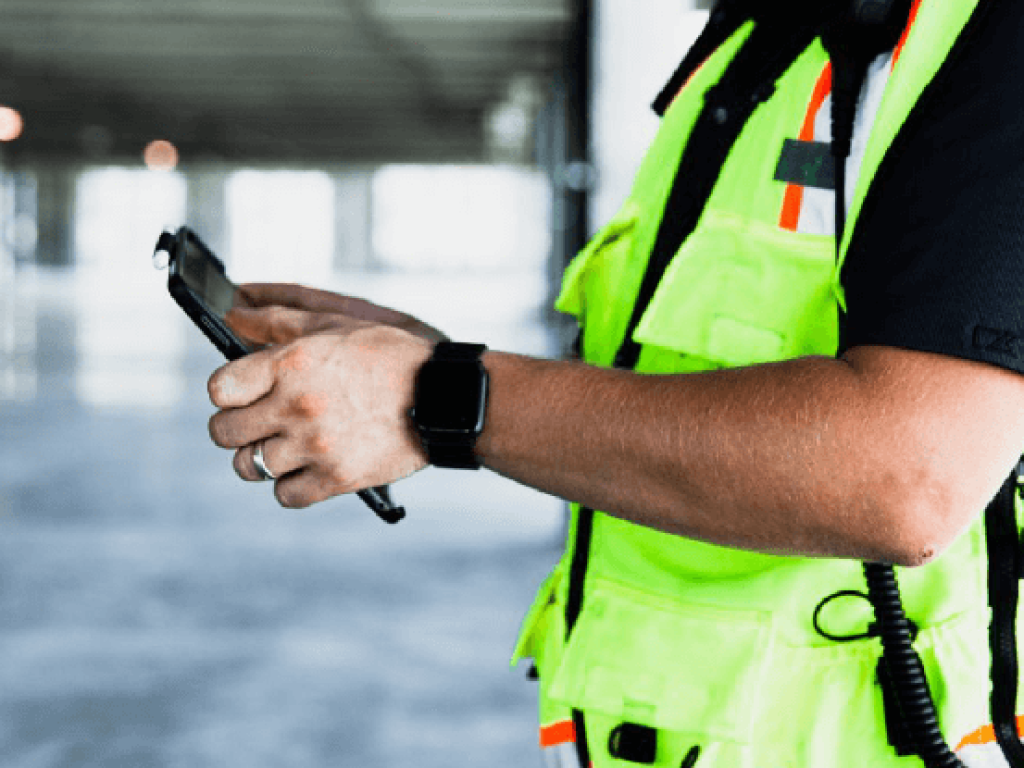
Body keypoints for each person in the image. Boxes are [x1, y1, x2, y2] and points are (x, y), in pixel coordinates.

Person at [206, 0, 1024, 765]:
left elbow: (906, 475)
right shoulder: (758, 39)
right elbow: (671, 382)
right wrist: (428, 363)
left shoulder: (980, 32)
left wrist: (445, 398)